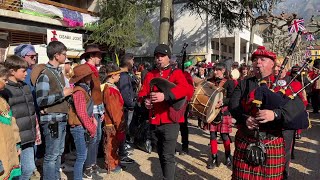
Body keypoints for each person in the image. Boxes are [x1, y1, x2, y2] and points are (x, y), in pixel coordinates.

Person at [229, 46, 306, 179]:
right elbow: (233, 105)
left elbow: (298, 109)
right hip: (245, 139)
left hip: (271, 141)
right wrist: (244, 119)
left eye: (262, 59)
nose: (258, 62)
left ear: (272, 64)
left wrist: (275, 114)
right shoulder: (244, 83)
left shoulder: (284, 85)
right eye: (255, 60)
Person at [138, 44, 193, 180]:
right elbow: (142, 93)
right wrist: (145, 101)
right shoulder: (150, 75)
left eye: (162, 56)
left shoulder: (177, 73)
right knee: (161, 153)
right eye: (157, 56)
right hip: (154, 121)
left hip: (170, 121)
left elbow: (186, 90)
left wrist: (166, 96)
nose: (159, 59)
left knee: (168, 155)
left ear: (169, 57)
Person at [33, 41, 73, 180]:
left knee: (58, 153)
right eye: (64, 54)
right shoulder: (45, 74)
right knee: (51, 155)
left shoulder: (58, 73)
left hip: (60, 119)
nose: (66, 57)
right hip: (52, 121)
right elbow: (41, 100)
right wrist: (63, 94)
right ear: (56, 55)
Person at [1, 55, 37, 180]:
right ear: (12, 71)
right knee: (15, 171)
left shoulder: (25, 87)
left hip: (29, 136)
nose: (26, 74)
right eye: (23, 71)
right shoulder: (4, 90)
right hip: (16, 138)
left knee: (28, 169)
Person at [68, 64, 101, 180]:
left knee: (83, 155)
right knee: (81, 156)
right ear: (82, 78)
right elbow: (82, 113)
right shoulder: (79, 92)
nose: (90, 78)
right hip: (78, 127)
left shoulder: (84, 90)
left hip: (81, 126)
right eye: (88, 76)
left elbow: (86, 111)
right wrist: (92, 128)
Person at [80, 44, 108, 176]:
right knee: (92, 139)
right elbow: (86, 93)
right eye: (98, 55)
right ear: (91, 56)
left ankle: (93, 164)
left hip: (96, 108)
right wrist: (90, 113)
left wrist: (101, 110)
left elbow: (96, 93)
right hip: (90, 110)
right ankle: (88, 167)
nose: (101, 58)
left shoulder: (93, 69)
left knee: (96, 139)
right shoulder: (85, 69)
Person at [206, 63, 234, 169]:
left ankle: (228, 157)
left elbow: (232, 98)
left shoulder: (229, 83)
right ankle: (214, 158)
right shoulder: (210, 81)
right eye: (214, 70)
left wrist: (223, 102)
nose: (215, 72)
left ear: (223, 70)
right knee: (212, 135)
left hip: (224, 111)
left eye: (217, 70)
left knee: (224, 136)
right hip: (212, 112)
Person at [102, 64, 126, 173]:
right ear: (112, 76)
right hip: (111, 123)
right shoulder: (109, 90)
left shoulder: (111, 87)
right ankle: (111, 165)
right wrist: (119, 125)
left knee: (114, 144)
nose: (120, 76)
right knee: (110, 145)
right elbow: (114, 110)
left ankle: (115, 162)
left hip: (114, 121)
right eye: (118, 74)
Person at [0, 63, 21, 180]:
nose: (7, 82)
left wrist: (17, 143)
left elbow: (12, 123)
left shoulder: (3, 101)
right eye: (4, 79)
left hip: (9, 149)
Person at [116, 53, 137, 164]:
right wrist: (132, 105)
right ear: (128, 61)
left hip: (122, 107)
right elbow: (125, 94)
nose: (133, 63)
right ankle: (122, 155)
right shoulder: (123, 76)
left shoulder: (122, 74)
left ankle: (122, 152)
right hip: (123, 108)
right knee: (122, 131)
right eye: (132, 61)